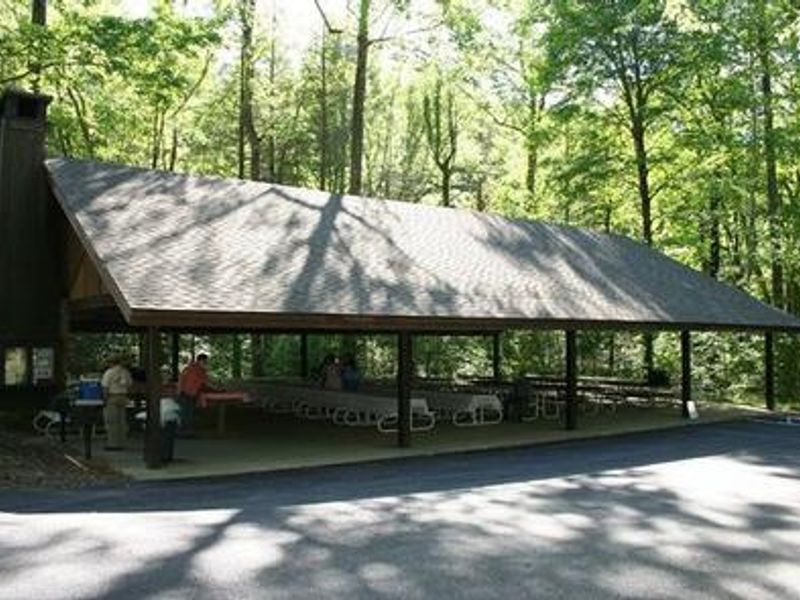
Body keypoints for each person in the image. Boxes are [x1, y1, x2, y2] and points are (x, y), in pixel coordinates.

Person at [178, 353, 216, 435]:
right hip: (187, 393)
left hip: (189, 393)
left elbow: (206, 381)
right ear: (200, 361)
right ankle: (184, 431)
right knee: (186, 413)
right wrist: (216, 388)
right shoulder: (196, 370)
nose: (206, 363)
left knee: (187, 412)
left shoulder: (192, 369)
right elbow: (206, 382)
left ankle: (186, 431)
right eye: (205, 361)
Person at [100, 355, 133, 450]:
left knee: (111, 421)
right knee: (122, 420)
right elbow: (130, 384)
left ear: (111, 363)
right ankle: (122, 442)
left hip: (112, 396)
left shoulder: (109, 372)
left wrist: (105, 399)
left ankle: (113, 444)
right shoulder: (125, 372)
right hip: (123, 396)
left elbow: (105, 387)